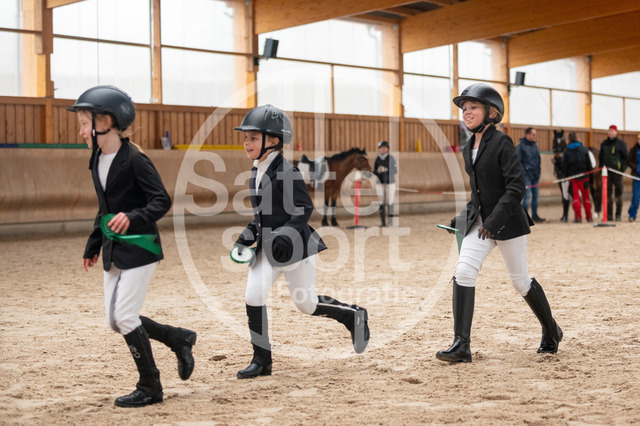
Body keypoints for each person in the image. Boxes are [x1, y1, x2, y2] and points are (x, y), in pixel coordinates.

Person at [69, 86, 196, 408]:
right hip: (114, 248)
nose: (81, 131)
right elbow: (105, 207)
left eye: (84, 124)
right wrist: (92, 245)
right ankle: (177, 337)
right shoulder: (97, 158)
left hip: (141, 247)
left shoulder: (136, 160)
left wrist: (132, 217)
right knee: (115, 321)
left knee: (125, 317)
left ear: (107, 122)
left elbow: (161, 200)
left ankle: (150, 386)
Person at [233, 104, 370, 379]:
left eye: (253, 138)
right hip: (267, 248)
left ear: (273, 141)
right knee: (253, 296)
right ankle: (262, 360)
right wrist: (243, 240)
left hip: (294, 248)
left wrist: (285, 233)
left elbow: (303, 209)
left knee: (306, 304)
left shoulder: (288, 172)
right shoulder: (256, 171)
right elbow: (261, 217)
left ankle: (352, 315)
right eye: (245, 137)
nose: (246, 142)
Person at [436, 83, 563, 364]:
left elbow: (516, 188)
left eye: (473, 107)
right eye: (464, 109)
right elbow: (479, 193)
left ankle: (551, 330)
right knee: (463, 272)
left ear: (491, 112)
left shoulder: (502, 142)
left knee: (520, 281)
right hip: (481, 224)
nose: (467, 112)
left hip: (507, 222)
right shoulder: (468, 147)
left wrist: (494, 222)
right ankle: (461, 345)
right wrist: (463, 218)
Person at [561, 132, 593, 222]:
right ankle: (589, 217)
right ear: (577, 138)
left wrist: (566, 175)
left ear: (569, 140)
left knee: (576, 199)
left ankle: (578, 218)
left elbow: (564, 166)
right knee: (586, 198)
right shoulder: (584, 149)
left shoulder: (566, 151)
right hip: (585, 177)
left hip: (573, 179)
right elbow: (589, 165)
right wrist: (591, 179)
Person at [599, 125, 628, 221]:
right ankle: (609, 215)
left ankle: (618, 214)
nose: (610, 132)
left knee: (618, 193)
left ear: (616, 132)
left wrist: (621, 169)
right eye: (609, 131)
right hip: (606, 174)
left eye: (612, 131)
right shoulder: (604, 144)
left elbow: (626, 158)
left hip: (617, 173)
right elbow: (601, 158)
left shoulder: (621, 144)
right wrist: (601, 169)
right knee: (607, 194)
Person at [517, 127, 545, 222]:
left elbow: (538, 159)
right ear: (527, 134)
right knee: (527, 197)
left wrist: (538, 171)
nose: (534, 136)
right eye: (533, 134)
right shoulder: (521, 146)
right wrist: (524, 172)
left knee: (535, 196)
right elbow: (518, 161)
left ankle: (535, 215)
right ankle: (525, 217)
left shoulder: (535, 145)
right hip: (526, 176)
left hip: (535, 175)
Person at [373, 140, 398, 227]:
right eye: (381, 148)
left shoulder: (391, 158)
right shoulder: (377, 159)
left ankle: (390, 222)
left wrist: (386, 170)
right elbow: (374, 171)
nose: (382, 149)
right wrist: (378, 171)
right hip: (379, 183)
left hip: (389, 183)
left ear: (387, 149)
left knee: (390, 201)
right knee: (381, 202)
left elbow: (395, 170)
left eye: (384, 148)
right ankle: (383, 222)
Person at [627, 134, 640, 221]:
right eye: (639, 139)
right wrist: (635, 168)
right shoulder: (633, 150)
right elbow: (628, 161)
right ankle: (632, 215)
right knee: (635, 197)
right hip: (637, 177)